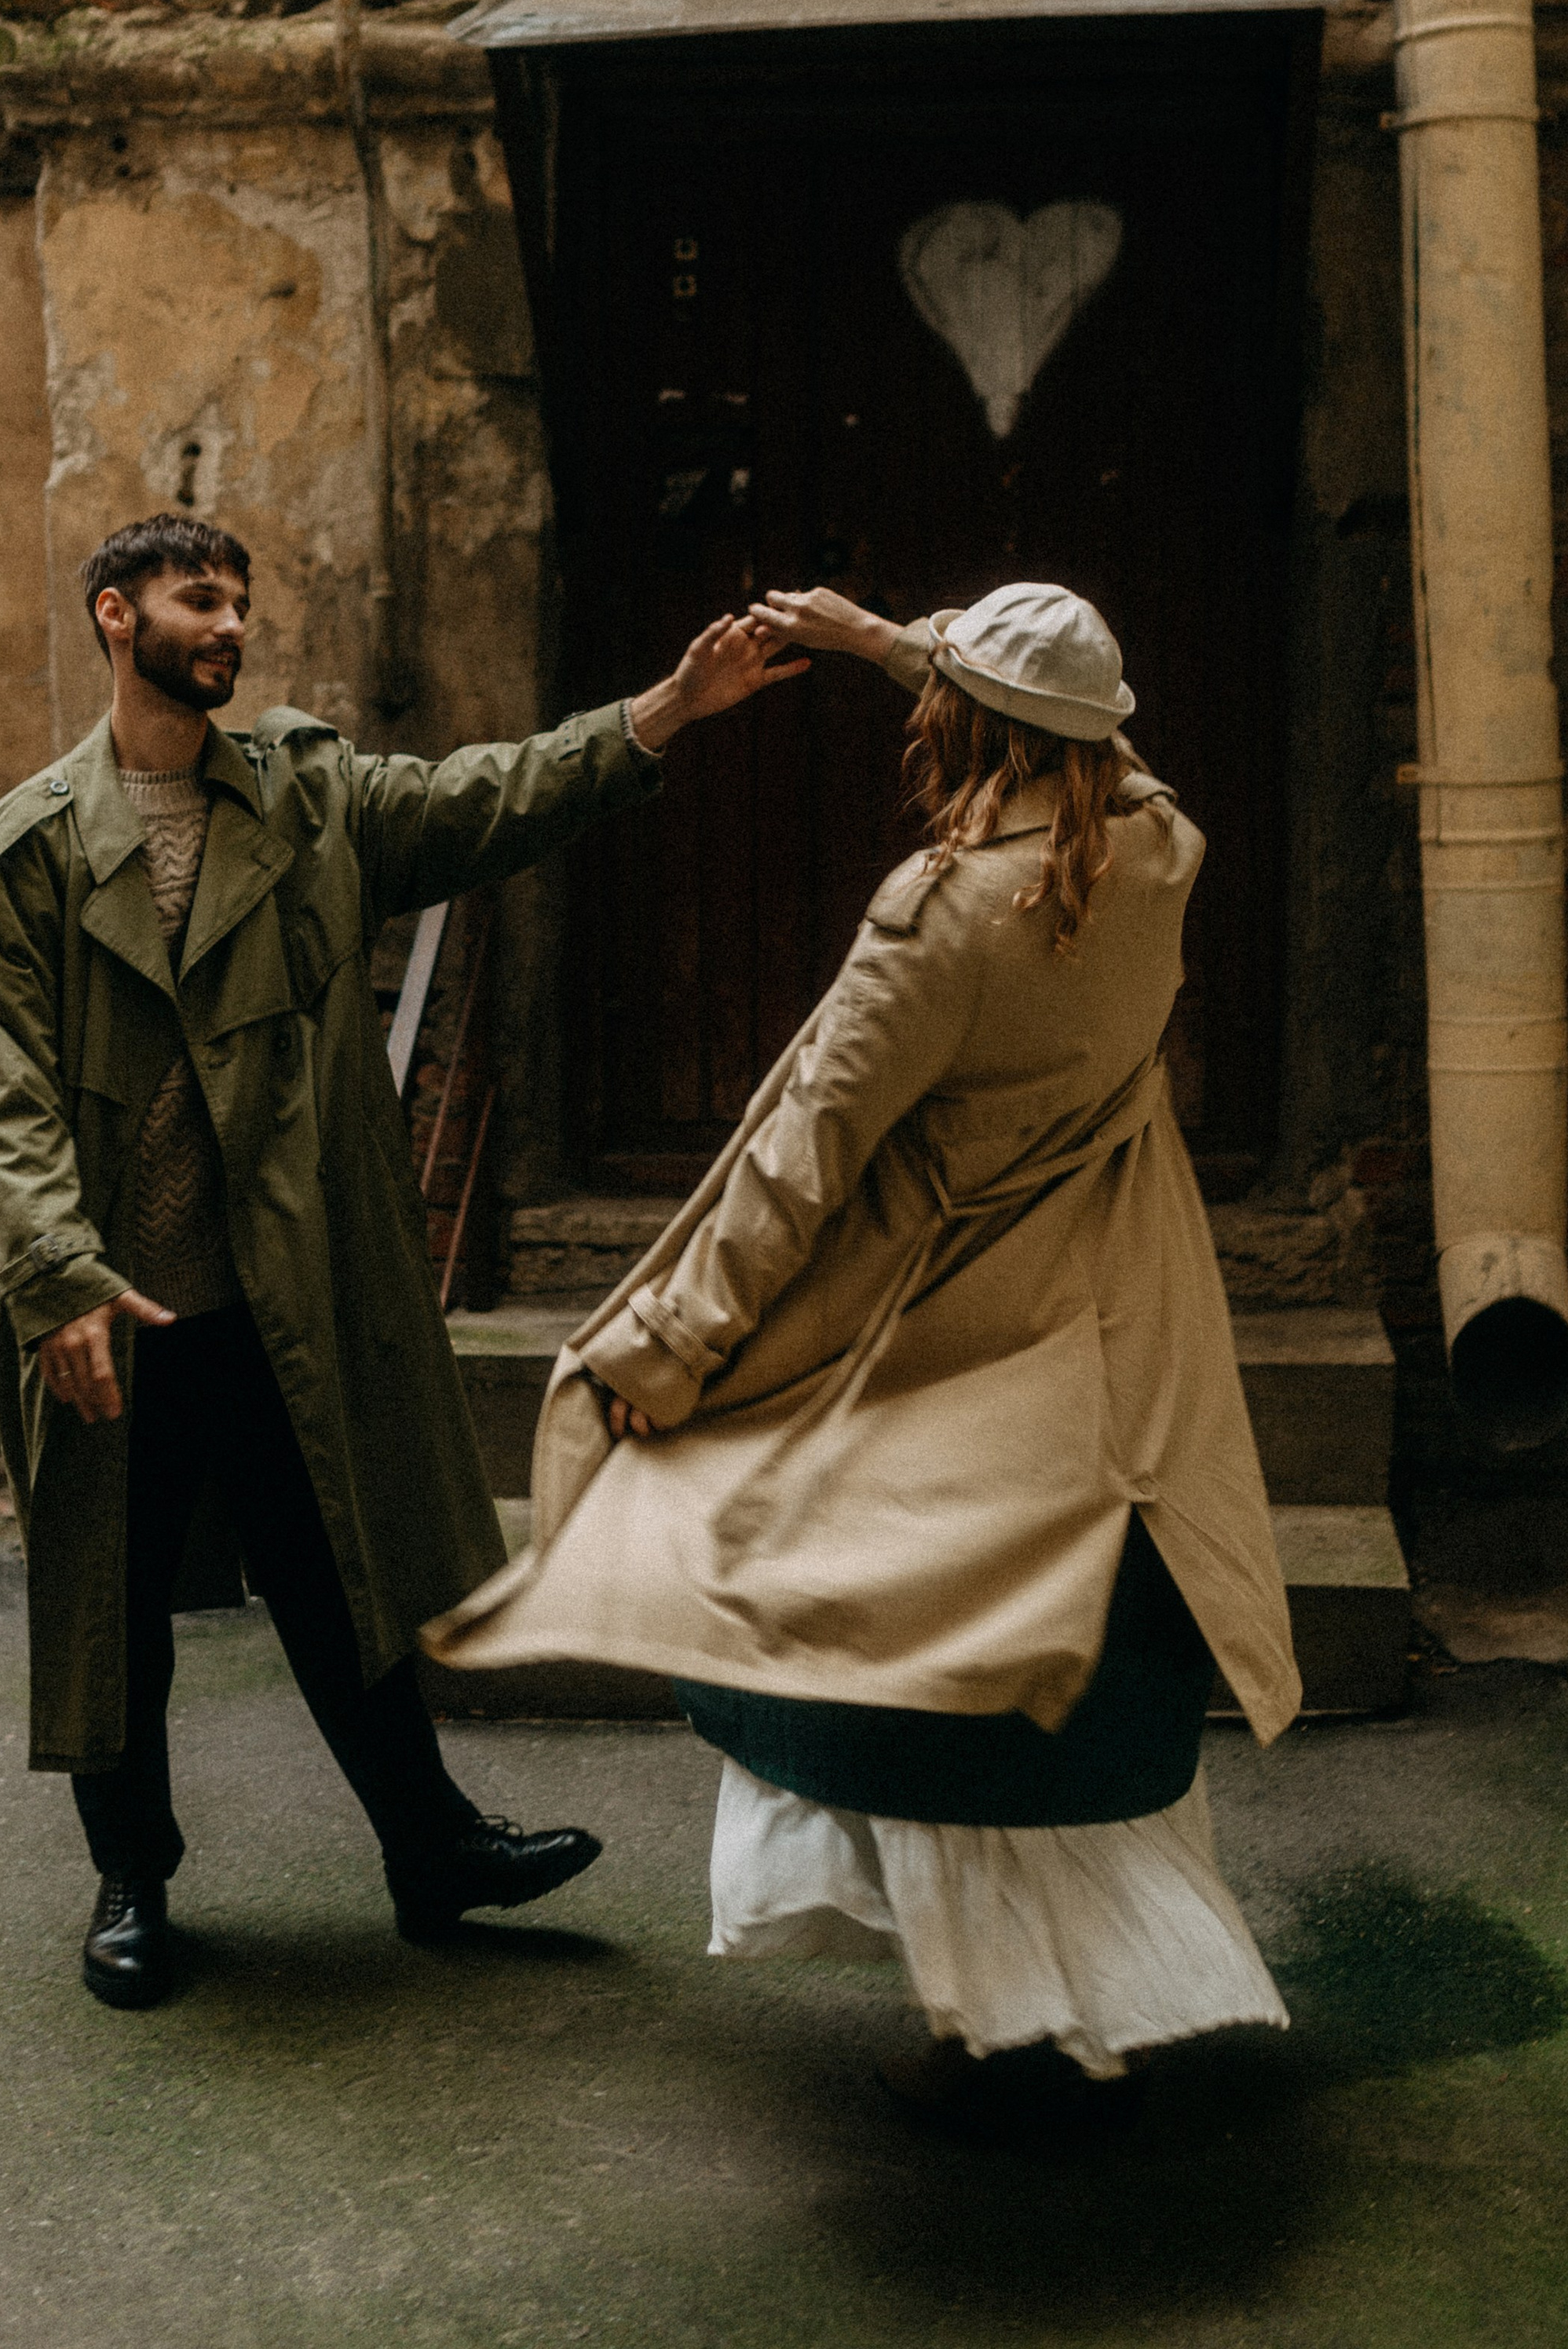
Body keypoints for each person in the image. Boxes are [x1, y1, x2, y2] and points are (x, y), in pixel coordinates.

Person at [0, 512, 803, 2009]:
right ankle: (133, 1879)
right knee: (108, 1614)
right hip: (113, 1315)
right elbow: (3, 1095)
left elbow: (486, 800)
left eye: (242, 600)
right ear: (116, 617)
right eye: (201, 598)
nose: (232, 623)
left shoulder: (310, 799)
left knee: (337, 1573)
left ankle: (431, 1850)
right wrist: (55, 1277)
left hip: (280, 1292)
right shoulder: (19, 863)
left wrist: (664, 715)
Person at [426, 580, 1300, 2132]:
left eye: (930, 695)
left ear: (962, 725)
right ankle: (1065, 2006)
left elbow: (794, 1166)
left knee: (894, 1648)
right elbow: (1119, 757)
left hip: (945, 1320)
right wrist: (888, 641)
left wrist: (670, 1345)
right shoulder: (1155, 855)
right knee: (1046, 1663)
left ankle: (991, 2035)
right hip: (1098, 1317)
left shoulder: (944, 914)